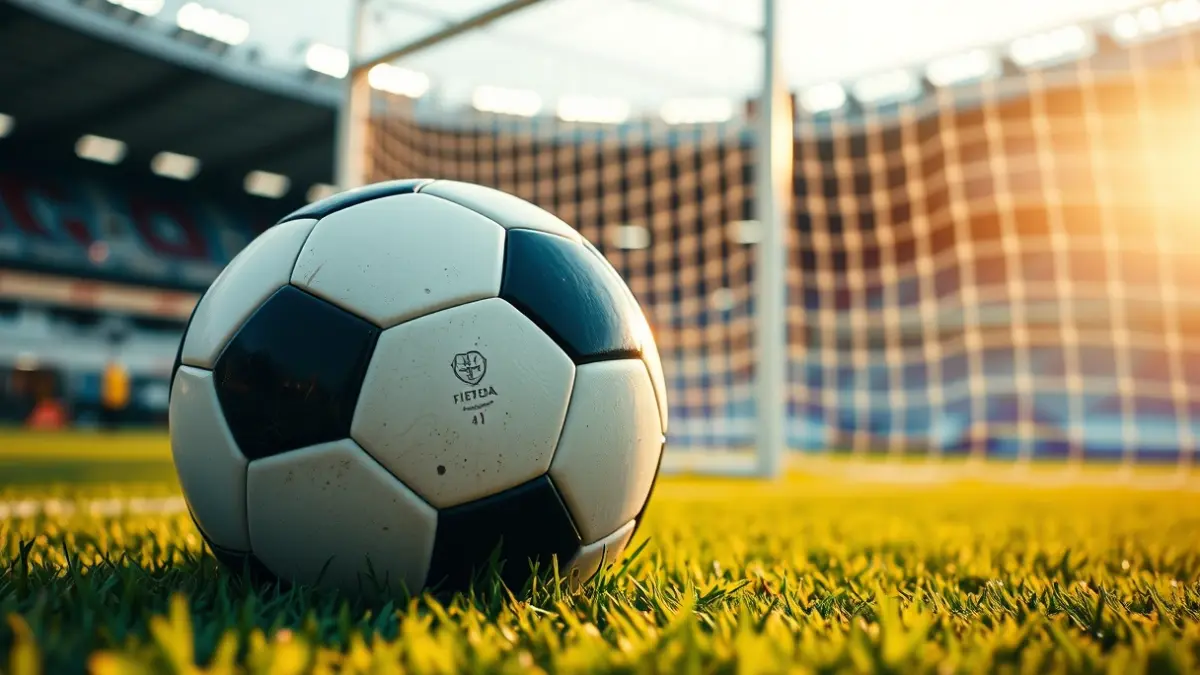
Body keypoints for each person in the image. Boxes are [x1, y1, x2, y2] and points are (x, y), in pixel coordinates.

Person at [99, 358, 131, 431]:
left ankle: (115, 428)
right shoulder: (110, 375)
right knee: (109, 415)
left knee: (116, 415)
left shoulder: (119, 375)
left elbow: (125, 387)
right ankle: (109, 428)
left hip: (118, 398)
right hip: (110, 398)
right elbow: (105, 387)